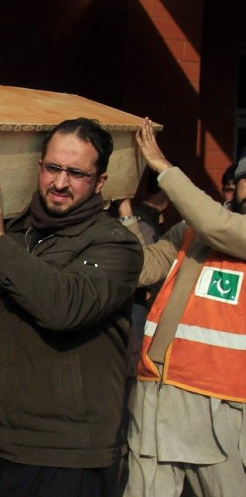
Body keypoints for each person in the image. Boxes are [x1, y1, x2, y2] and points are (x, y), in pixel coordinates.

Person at [0, 117, 143, 497]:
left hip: (65, 455)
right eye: (53, 168)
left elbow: (64, 307)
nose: (60, 183)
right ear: (39, 168)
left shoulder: (115, 245)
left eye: (77, 173)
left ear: (100, 182)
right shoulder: (14, 233)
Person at [122, 119, 246, 497]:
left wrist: (164, 169)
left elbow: (216, 224)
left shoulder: (213, 226)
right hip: (157, 390)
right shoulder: (192, 231)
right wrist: (125, 213)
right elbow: (141, 267)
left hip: (219, 401)